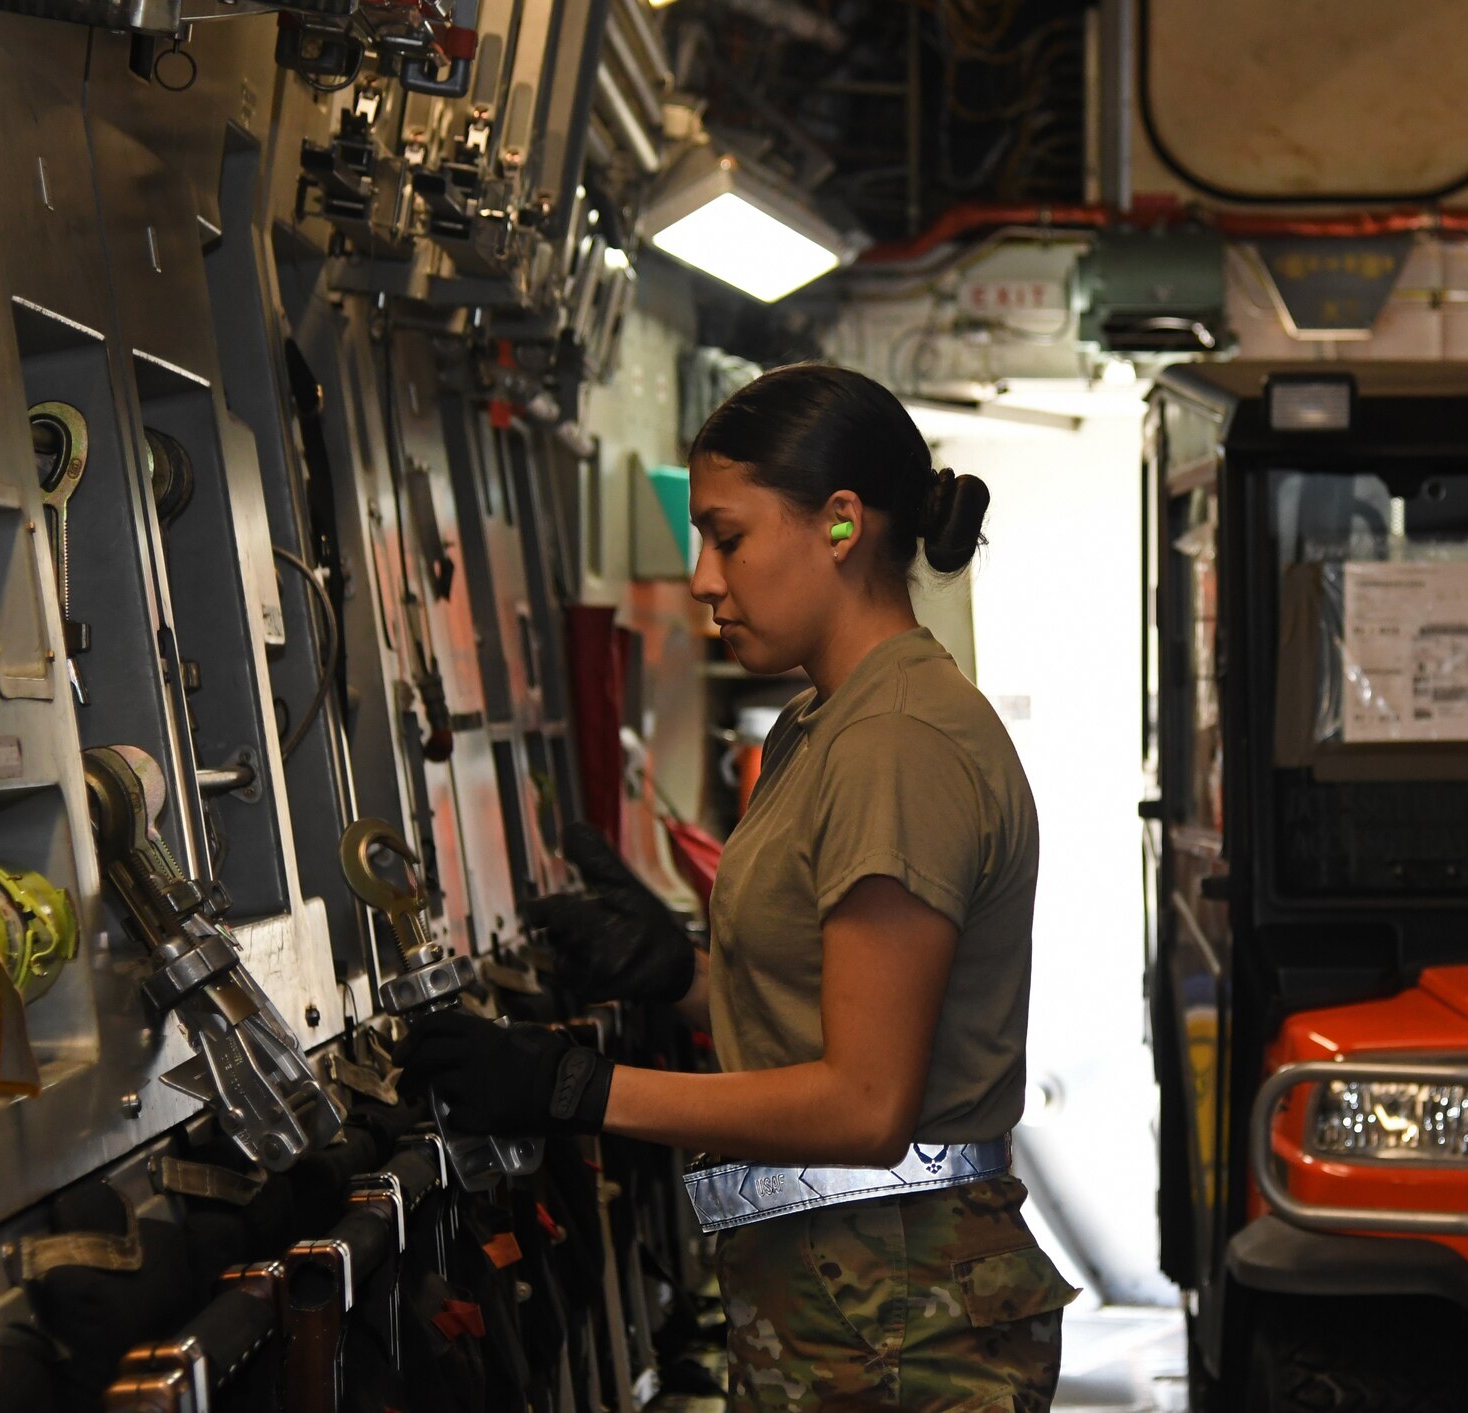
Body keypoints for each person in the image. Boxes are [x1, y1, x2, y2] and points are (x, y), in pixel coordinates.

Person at [395, 363, 1076, 1410]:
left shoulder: (894, 744)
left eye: (728, 536)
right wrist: (682, 978)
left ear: (840, 525)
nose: (704, 578)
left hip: (899, 1323)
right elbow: (828, 1011)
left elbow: (862, 1103)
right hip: (837, 1299)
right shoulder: (825, 725)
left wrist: (574, 1092)